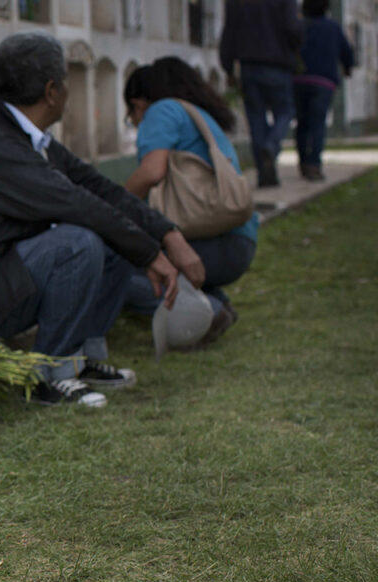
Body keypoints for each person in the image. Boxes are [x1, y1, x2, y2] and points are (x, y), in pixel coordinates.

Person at [0, 32, 200, 408]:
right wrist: (150, 255)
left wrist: (167, 235)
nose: (69, 90)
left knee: (109, 237)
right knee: (77, 242)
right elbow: (78, 204)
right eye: (66, 81)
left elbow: (101, 190)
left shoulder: (24, 135)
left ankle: (84, 360)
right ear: (52, 91)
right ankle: (51, 375)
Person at [123, 58, 259, 348]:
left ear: (138, 104)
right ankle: (218, 304)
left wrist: (112, 206)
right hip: (238, 240)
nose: (134, 123)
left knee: (116, 269)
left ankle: (209, 312)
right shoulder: (198, 114)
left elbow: (152, 171)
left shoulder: (161, 110)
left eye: (131, 114)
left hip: (213, 244)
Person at [219, 0, 302, 188]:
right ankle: (271, 146)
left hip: (248, 66)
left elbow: (229, 31)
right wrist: (296, 48)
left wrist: (228, 67)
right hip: (278, 64)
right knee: (285, 111)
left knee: (256, 118)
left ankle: (264, 174)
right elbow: (293, 27)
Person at [294, 0, 355, 181]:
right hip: (324, 82)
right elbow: (347, 52)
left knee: (302, 123)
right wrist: (348, 67)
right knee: (318, 123)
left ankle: (303, 162)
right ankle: (314, 164)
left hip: (298, 80)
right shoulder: (333, 28)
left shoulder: (298, 26)